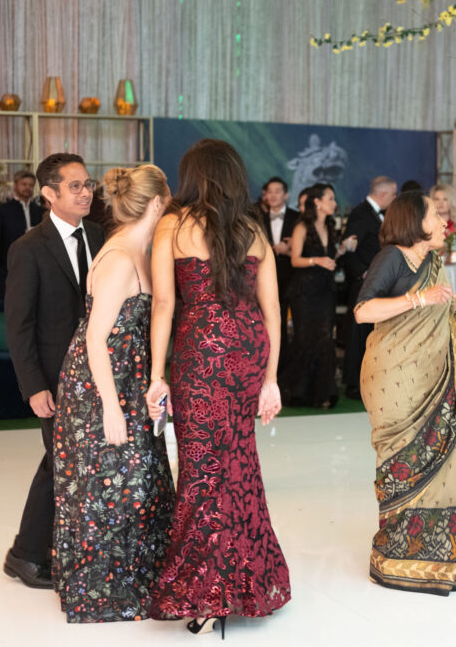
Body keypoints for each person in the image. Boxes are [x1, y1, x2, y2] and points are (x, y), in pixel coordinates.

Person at [147, 139, 290, 636]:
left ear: (193, 176)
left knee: (202, 468)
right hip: (247, 354)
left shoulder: (174, 224)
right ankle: (251, 582)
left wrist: (155, 375)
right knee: (238, 464)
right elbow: (273, 313)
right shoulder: (253, 227)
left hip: (200, 354)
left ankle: (208, 593)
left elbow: (164, 304)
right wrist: (270, 379)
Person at [354, 190, 456, 595]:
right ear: (414, 222)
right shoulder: (391, 257)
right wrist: (416, 297)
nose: (443, 221)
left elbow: (438, 309)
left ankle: (441, 557)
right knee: (404, 462)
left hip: (432, 373)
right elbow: (363, 310)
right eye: (435, 214)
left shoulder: (432, 261)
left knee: (446, 457)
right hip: (395, 377)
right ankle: (398, 555)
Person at [52, 165, 175, 622]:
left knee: (140, 483)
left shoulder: (140, 251)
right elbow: (95, 338)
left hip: (129, 382)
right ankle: (103, 593)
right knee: (108, 488)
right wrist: (110, 406)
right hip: (99, 387)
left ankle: (137, 583)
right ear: (158, 204)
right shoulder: (121, 257)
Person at [3, 153, 106, 589]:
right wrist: (33, 386)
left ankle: (39, 550)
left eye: (88, 184)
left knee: (65, 462)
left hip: (96, 374)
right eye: (76, 186)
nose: (87, 192)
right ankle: (26, 556)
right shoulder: (28, 248)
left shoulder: (102, 236)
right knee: (58, 463)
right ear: (50, 193)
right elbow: (19, 324)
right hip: (54, 378)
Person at [280, 184, 354, 407]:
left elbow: (329, 259)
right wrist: (316, 261)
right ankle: (297, 391)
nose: (334, 203)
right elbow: (295, 259)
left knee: (325, 339)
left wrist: (342, 250)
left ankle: (323, 392)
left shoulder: (330, 225)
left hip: (325, 289)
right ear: (318, 202)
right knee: (305, 338)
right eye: (330, 199)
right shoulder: (302, 226)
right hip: (305, 291)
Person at [342, 176, 397, 399]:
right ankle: (354, 383)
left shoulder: (374, 214)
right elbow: (350, 248)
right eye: (393, 195)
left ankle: (364, 380)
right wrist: (363, 273)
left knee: (367, 334)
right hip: (364, 284)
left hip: (374, 282)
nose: (394, 200)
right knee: (358, 334)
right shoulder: (361, 213)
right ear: (383, 194)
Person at [260, 176, 299, 361]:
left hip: (292, 278)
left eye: (277, 191)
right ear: (265, 195)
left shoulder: (297, 218)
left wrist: (290, 249)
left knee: (291, 324)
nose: (273, 195)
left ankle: (288, 365)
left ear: (286, 195)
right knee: (268, 322)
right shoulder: (257, 217)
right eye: (270, 191)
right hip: (263, 280)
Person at [0, 170, 45, 299]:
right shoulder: (2, 210)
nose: (27, 188)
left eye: (31, 185)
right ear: (15, 185)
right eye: (23, 184)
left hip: (36, 270)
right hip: (9, 270)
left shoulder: (40, 212)